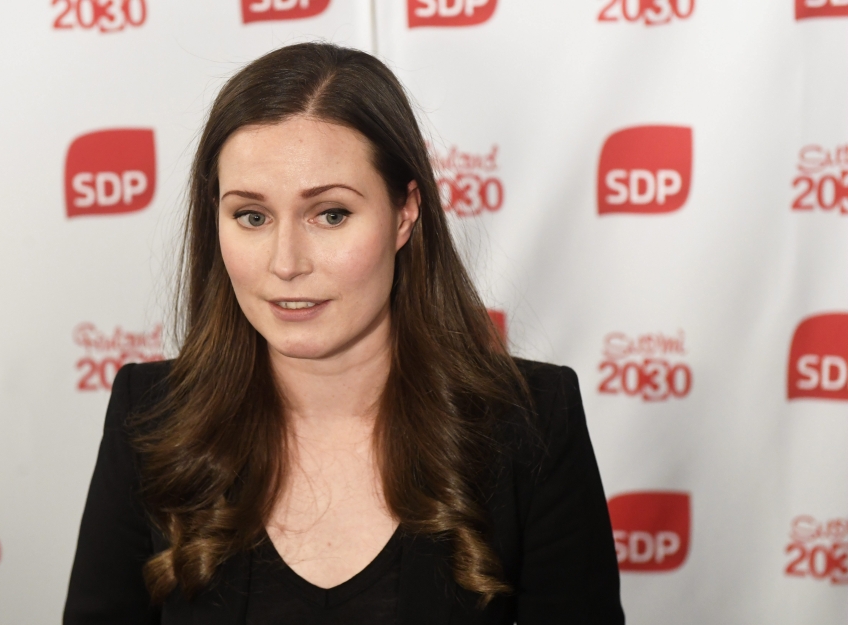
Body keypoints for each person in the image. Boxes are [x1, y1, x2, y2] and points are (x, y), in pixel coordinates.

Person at [63, 42, 624, 625]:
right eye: (251, 216)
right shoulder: (150, 416)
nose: (286, 263)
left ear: (405, 213)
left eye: (330, 214)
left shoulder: (531, 421)